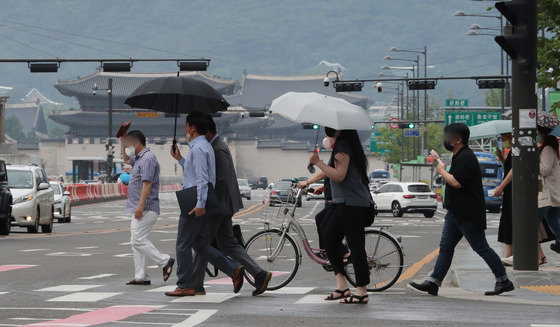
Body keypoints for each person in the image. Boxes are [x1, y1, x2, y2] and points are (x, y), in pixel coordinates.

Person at [410, 123, 514, 296]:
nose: (446, 139)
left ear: (457, 139)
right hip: (456, 212)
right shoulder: (459, 156)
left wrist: (442, 171)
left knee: (481, 247)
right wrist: (442, 166)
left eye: (448, 136)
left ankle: (503, 280)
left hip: (467, 213)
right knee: (446, 247)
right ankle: (434, 282)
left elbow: (457, 182)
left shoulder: (466, 157)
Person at [191, 114, 272, 296]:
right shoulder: (217, 146)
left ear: (207, 131)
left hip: (218, 206)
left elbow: (222, 180)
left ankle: (196, 284)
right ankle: (259, 274)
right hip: (223, 204)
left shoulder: (217, 148)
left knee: (202, 243)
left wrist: (206, 202)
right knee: (228, 244)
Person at [165, 113, 244, 297]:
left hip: (195, 202)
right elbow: (195, 173)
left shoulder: (198, 149)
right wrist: (180, 159)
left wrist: (200, 204)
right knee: (200, 244)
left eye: (186, 126)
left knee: (183, 244)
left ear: (192, 128)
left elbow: (201, 179)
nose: (185, 130)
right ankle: (233, 269)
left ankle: (185, 284)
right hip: (204, 200)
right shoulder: (204, 147)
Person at [305, 128, 371, 304]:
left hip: (352, 203)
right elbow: (336, 173)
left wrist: (317, 162)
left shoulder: (343, 147)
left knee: (356, 246)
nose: (328, 132)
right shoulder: (346, 146)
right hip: (345, 202)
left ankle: (361, 290)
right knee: (329, 239)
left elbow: (339, 176)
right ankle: (342, 286)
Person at [121, 130, 174, 286]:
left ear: (137, 143)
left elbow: (147, 183)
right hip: (139, 206)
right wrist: (122, 144)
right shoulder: (139, 159)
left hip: (146, 207)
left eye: (129, 143)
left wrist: (140, 205)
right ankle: (141, 276)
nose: (128, 147)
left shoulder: (147, 159)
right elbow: (126, 159)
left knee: (138, 240)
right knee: (136, 241)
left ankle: (165, 261)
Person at [297, 127, 349, 260]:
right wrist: (323, 187)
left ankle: (341, 253)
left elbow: (331, 172)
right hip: (337, 198)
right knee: (320, 219)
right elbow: (332, 173)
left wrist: (308, 180)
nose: (326, 138)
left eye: (328, 135)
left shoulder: (341, 150)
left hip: (343, 199)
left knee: (327, 228)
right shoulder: (339, 149)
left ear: (336, 134)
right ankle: (326, 251)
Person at [494, 132, 513, 263]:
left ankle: (509, 256)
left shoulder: (518, 149)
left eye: (503, 138)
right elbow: (509, 168)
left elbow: (514, 170)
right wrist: (501, 158)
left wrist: (501, 186)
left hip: (513, 191)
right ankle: (508, 256)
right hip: (509, 191)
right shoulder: (512, 151)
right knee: (508, 221)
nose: (502, 141)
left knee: (510, 221)